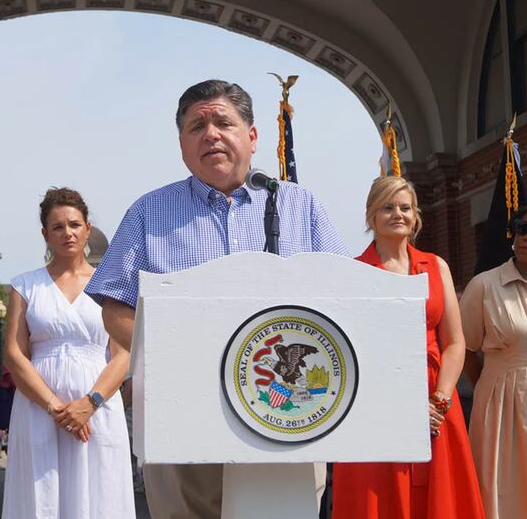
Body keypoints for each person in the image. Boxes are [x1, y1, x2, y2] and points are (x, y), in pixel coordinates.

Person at [84, 80, 348, 518]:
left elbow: (342, 300)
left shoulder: (299, 206)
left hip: (285, 412)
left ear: (252, 135)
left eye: (223, 122)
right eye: (196, 126)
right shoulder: (148, 212)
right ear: (182, 144)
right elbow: (115, 310)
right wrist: (180, 355)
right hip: (184, 413)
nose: (211, 134)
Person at [332, 176, 484, 519]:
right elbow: (348, 349)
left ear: (416, 216)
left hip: (436, 399)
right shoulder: (353, 273)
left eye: (405, 207)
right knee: (376, 497)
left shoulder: (436, 266)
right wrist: (399, 405)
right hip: (374, 402)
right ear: (372, 215)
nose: (397, 214)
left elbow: (456, 343)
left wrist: (440, 400)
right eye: (387, 207)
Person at [2, 187, 135, 519]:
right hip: (39, 409)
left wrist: (88, 405)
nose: (67, 233)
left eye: (74, 224)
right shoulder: (25, 285)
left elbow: (123, 354)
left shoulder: (111, 287)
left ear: (87, 228)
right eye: (58, 227)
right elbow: (14, 355)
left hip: (97, 409)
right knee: (40, 498)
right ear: (45, 234)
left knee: (100, 496)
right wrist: (56, 407)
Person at [460, 202, 527, 519]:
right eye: (522, 228)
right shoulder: (485, 286)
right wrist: (488, 384)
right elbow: (464, 348)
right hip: (503, 408)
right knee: (506, 493)